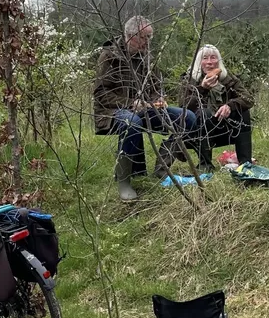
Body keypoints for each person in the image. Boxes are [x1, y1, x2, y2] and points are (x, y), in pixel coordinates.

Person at [93, 16, 197, 200]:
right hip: (112, 112)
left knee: (186, 117)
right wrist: (131, 103)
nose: (148, 42)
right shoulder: (109, 56)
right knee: (131, 121)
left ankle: (162, 167)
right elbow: (101, 94)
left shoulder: (147, 57)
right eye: (144, 37)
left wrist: (158, 98)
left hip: (145, 109)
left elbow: (155, 87)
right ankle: (124, 182)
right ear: (129, 35)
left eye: (150, 37)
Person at [178, 44, 254, 172]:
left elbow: (248, 98)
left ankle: (245, 164)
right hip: (195, 133)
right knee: (205, 113)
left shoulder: (227, 78)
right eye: (205, 58)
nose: (209, 62)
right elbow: (184, 106)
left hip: (223, 129)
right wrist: (202, 89)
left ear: (218, 61)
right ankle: (205, 165)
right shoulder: (189, 79)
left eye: (213, 58)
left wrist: (230, 105)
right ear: (199, 62)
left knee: (243, 112)